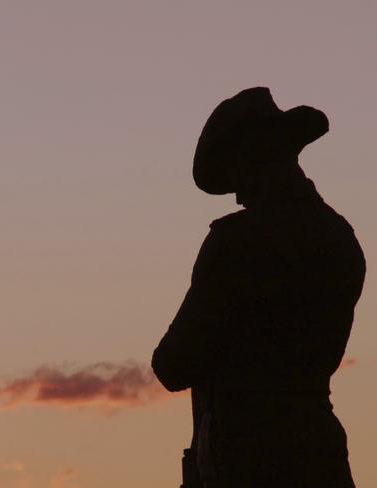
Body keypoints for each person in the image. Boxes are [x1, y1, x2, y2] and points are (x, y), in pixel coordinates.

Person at [151, 87, 366, 487]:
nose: (236, 193)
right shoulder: (339, 235)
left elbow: (172, 364)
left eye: (234, 172)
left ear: (251, 159)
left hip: (246, 460)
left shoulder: (237, 241)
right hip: (321, 452)